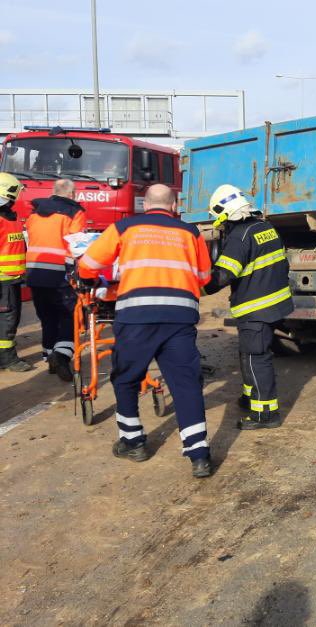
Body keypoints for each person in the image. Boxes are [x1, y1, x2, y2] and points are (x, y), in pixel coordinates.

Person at [77, 184, 213, 478]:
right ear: (174, 206)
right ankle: (199, 455)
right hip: (179, 318)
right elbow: (204, 276)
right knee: (186, 384)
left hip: (136, 317)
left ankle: (133, 442)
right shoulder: (191, 233)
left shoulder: (124, 227)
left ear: (145, 205)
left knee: (126, 378)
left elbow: (87, 265)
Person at [202, 185, 293, 430]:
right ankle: (250, 397)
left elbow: (222, 276)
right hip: (275, 304)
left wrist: (196, 288)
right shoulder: (266, 227)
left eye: (219, 219)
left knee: (256, 358)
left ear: (225, 213)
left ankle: (265, 414)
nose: (220, 225)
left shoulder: (239, 237)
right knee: (249, 353)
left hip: (256, 309)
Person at [24, 178, 85, 380]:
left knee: (47, 316)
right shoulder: (75, 212)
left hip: (34, 272)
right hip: (60, 273)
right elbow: (77, 245)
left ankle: (49, 356)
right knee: (69, 315)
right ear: (72, 194)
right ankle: (61, 356)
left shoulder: (35, 212)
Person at [0, 173, 33, 371]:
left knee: (9, 318)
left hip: (11, 278)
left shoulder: (10, 218)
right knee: (7, 319)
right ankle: (7, 359)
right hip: (4, 280)